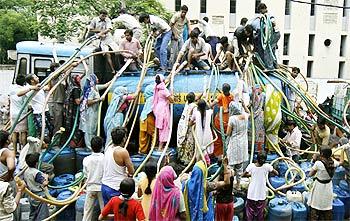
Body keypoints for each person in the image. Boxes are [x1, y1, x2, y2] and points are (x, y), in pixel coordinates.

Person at [308, 147, 344, 220]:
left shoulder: (318, 163)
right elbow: (341, 162)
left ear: (322, 154)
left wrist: (314, 159)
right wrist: (342, 150)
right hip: (328, 186)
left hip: (319, 186)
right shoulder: (333, 162)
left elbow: (310, 174)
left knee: (315, 204)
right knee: (326, 205)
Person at [101, 127, 134, 204]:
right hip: (115, 188)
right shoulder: (122, 152)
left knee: (108, 213)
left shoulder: (108, 148)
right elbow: (131, 170)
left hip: (105, 186)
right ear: (123, 139)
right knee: (118, 214)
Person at [243, 151, 278, 221]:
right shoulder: (267, 166)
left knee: (250, 213)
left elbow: (243, 175)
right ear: (265, 159)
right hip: (261, 194)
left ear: (257, 159)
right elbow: (276, 173)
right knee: (260, 213)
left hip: (251, 194)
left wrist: (252, 174)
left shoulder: (251, 166)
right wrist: (267, 172)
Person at [79, 74, 110, 149]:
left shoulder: (95, 87)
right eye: (96, 78)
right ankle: (90, 147)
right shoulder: (90, 90)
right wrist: (99, 100)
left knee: (94, 129)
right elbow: (88, 102)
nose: (98, 79)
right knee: (90, 130)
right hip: (90, 112)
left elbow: (106, 85)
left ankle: (95, 146)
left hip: (95, 112)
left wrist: (116, 77)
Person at [18, 74, 53, 139]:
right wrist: (32, 88)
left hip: (46, 110)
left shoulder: (40, 86)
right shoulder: (28, 87)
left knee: (50, 129)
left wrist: (50, 79)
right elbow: (19, 93)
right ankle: (42, 146)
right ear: (32, 80)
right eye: (36, 77)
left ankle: (48, 146)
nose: (38, 78)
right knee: (43, 132)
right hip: (38, 113)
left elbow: (48, 88)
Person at [226, 100, 250, 190]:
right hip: (243, 144)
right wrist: (244, 105)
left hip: (234, 144)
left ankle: (230, 186)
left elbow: (228, 133)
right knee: (239, 166)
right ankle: (238, 184)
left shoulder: (232, 119)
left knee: (231, 166)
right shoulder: (245, 116)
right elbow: (249, 113)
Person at [83, 136, 104, 221]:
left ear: (91, 147)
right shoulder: (104, 158)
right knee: (104, 212)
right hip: (102, 188)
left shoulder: (86, 159)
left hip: (91, 187)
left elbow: (85, 175)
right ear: (102, 147)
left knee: (87, 212)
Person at [89, 9, 118, 74]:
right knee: (106, 53)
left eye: (105, 16)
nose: (104, 17)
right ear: (100, 14)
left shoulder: (107, 20)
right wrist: (99, 32)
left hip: (108, 38)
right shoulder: (94, 20)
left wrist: (103, 32)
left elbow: (109, 28)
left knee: (117, 51)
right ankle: (112, 69)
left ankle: (118, 67)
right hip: (100, 40)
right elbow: (91, 29)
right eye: (103, 16)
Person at [23, 153, 49, 221]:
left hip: (31, 195)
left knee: (32, 214)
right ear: (36, 163)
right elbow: (45, 183)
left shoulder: (26, 171)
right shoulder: (36, 173)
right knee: (42, 215)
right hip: (39, 196)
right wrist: (46, 177)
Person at [211, 83, 234, 157]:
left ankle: (218, 155)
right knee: (228, 138)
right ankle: (227, 154)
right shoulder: (231, 96)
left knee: (218, 138)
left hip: (220, 120)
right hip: (229, 120)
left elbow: (212, 104)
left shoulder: (220, 96)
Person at [152, 74, 174, 150]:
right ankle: (161, 147)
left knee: (160, 128)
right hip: (163, 110)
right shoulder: (164, 90)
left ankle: (160, 146)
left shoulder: (157, 87)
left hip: (158, 109)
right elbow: (172, 100)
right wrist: (172, 96)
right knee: (164, 127)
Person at [9, 75, 28, 153]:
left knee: (14, 132)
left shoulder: (11, 88)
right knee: (23, 132)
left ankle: (14, 150)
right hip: (22, 113)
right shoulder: (24, 90)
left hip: (13, 113)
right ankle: (23, 150)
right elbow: (26, 103)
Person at [177, 92, 196, 165]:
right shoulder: (194, 106)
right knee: (189, 143)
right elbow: (193, 118)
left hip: (182, 126)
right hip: (189, 127)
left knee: (182, 143)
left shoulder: (187, 104)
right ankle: (188, 161)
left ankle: (181, 159)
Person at [63, 73, 82, 146]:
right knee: (76, 127)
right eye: (78, 78)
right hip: (74, 112)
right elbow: (77, 101)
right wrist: (84, 96)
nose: (80, 79)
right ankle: (74, 143)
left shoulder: (70, 87)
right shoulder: (76, 89)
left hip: (69, 112)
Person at [48, 62, 65, 134]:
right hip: (56, 102)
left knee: (59, 122)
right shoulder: (53, 76)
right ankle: (55, 141)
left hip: (60, 101)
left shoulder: (60, 77)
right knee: (57, 123)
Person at [139, 84, 155, 154]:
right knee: (154, 134)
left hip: (143, 119)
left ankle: (142, 151)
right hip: (149, 118)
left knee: (143, 137)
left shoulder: (147, 98)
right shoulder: (152, 98)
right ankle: (153, 150)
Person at [250, 84, 265, 151]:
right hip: (253, 116)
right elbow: (252, 103)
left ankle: (258, 150)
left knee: (259, 133)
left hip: (259, 116)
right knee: (252, 133)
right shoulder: (252, 95)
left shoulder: (263, 95)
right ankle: (252, 149)